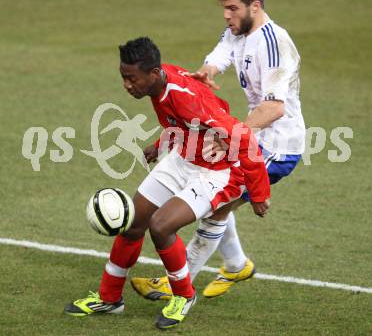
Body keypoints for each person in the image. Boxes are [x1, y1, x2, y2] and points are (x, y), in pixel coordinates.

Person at [64, 37, 271, 329]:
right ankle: (109, 298)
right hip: (182, 158)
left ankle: (184, 296)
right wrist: (160, 143)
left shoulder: (185, 97)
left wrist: (259, 194)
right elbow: (183, 123)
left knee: (161, 226)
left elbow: (243, 136)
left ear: (152, 73)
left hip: (215, 172)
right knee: (134, 222)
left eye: (131, 78)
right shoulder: (160, 82)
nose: (126, 85)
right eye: (123, 77)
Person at [131, 0, 306, 300]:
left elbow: (274, 108)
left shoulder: (274, 44)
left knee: (215, 203)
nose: (227, 16)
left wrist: (234, 133)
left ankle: (177, 284)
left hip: (278, 146)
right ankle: (237, 263)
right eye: (224, 8)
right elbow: (221, 53)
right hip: (254, 135)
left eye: (232, 8)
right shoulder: (240, 30)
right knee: (212, 183)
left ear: (255, 6)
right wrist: (206, 71)